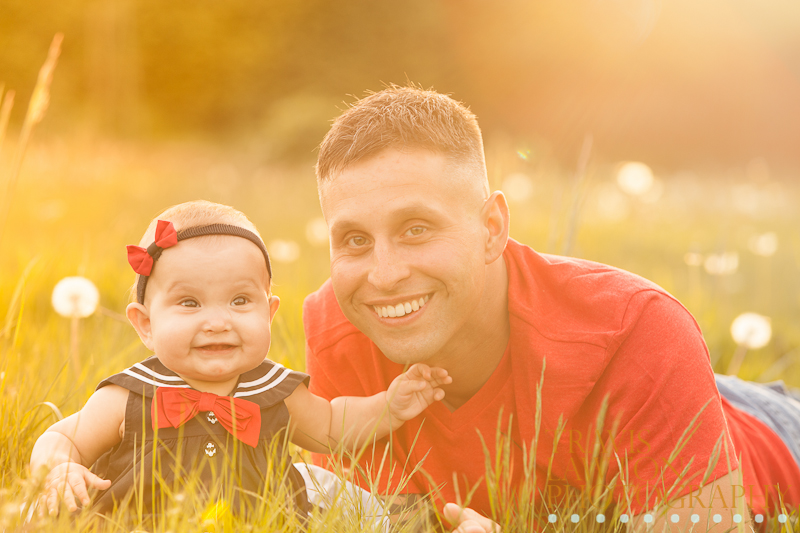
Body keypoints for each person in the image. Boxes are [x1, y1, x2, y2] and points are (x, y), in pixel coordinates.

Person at [304, 86, 800, 532]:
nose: (384, 275)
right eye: (354, 239)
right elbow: (365, 519)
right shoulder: (340, 327)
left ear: (492, 227)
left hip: (765, 430)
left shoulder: (634, 330)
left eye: (416, 228)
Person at [29, 200, 452, 521]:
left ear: (268, 313)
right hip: (142, 523)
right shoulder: (130, 394)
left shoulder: (272, 390)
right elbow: (64, 438)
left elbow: (331, 427)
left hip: (264, 522)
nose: (217, 322)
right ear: (145, 324)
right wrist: (61, 468)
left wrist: (390, 407)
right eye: (190, 303)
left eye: (240, 300)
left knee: (372, 513)